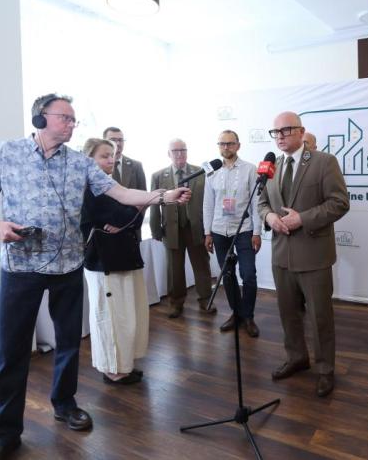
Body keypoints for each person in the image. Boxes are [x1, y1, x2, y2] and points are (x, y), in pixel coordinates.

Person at [0, 94, 190, 460]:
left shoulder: (79, 163)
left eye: (74, 119)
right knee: (11, 352)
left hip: (68, 267)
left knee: (69, 342)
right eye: (66, 118)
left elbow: (120, 192)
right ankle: (4, 433)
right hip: (20, 268)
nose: (72, 124)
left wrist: (162, 196)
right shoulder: (4, 152)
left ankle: (65, 403)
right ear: (41, 119)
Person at [258, 111, 349, 397]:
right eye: (276, 132)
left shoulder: (323, 162)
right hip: (281, 255)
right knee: (288, 314)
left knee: (320, 317)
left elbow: (339, 203)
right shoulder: (271, 166)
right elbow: (262, 202)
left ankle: (325, 370)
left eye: (286, 130)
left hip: (314, 255)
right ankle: (297, 357)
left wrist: (303, 219)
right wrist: (269, 217)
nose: (281, 136)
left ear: (301, 131)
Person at [81, 138, 148, 385]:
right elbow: (119, 215)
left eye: (113, 155)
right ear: (90, 159)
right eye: (104, 155)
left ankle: (124, 364)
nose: (111, 159)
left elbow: (132, 220)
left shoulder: (113, 186)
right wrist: (136, 207)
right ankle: (112, 370)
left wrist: (133, 212)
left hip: (123, 256)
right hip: (104, 261)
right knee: (110, 318)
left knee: (127, 316)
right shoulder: (90, 188)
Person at [203, 130, 262, 337]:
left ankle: (248, 316)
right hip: (219, 231)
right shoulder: (212, 171)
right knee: (227, 275)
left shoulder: (250, 169)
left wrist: (257, 232)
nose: (225, 147)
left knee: (249, 275)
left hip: (244, 229)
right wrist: (207, 232)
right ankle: (236, 313)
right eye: (222, 144)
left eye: (230, 143)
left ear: (238, 145)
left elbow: (257, 202)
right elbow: (208, 203)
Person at [150, 139, 215, 318]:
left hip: (196, 228)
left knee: (202, 265)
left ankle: (205, 300)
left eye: (183, 150)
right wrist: (155, 229)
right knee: (174, 269)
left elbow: (210, 200)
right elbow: (154, 204)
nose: (179, 154)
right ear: (168, 153)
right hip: (171, 230)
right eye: (175, 150)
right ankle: (176, 302)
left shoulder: (201, 173)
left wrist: (210, 228)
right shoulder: (158, 176)